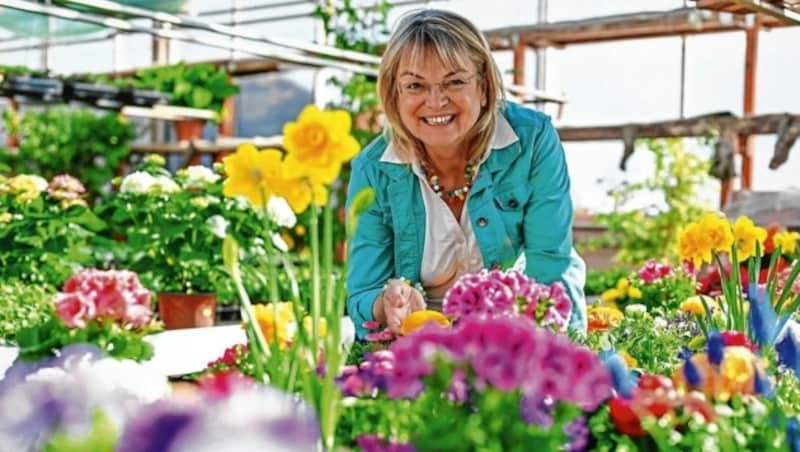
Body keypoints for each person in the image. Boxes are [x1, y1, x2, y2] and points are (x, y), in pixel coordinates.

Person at [345, 8, 586, 339]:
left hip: (516, 330)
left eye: (455, 81)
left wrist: (548, 357)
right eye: (415, 85)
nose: (436, 101)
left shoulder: (532, 141)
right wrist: (385, 304)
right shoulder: (373, 170)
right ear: (394, 94)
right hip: (421, 341)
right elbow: (362, 292)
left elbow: (550, 267)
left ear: (484, 86)